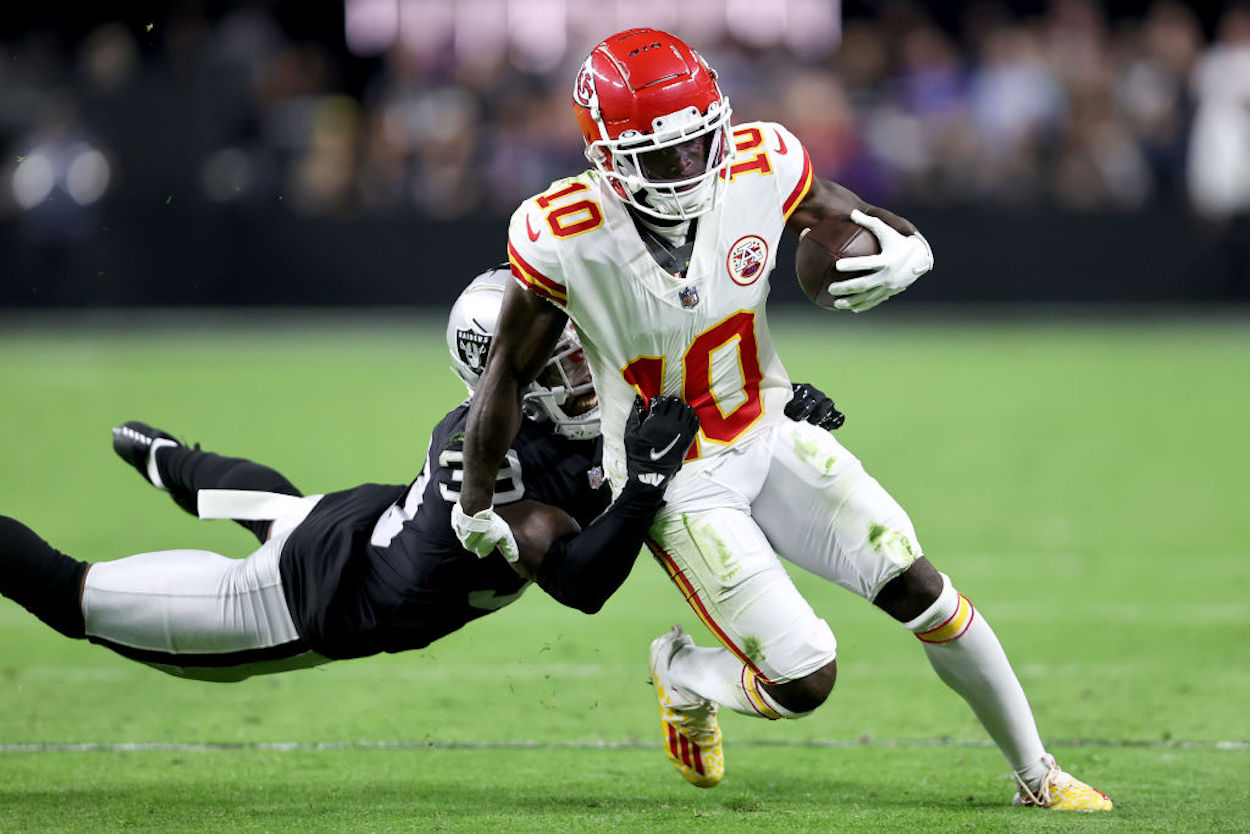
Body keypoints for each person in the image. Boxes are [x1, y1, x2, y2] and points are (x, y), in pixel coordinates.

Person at [452, 29, 1111, 811]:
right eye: (664, 156)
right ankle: (685, 672)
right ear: (609, 157)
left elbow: (853, 213)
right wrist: (475, 502)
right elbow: (507, 372)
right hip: (679, 478)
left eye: (701, 143)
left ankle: (1038, 776)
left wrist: (908, 246)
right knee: (803, 679)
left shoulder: (761, 162)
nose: (692, 168)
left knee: (922, 587)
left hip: (767, 426)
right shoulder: (561, 232)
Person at [0, 268, 838, 682]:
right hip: (307, 599)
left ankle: (163, 457)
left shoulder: (576, 392)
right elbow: (580, 582)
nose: (583, 374)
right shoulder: (493, 459)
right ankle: (162, 462)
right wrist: (647, 487)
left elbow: (702, 397)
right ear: (500, 382)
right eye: (556, 364)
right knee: (73, 599)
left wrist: (775, 407)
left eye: (577, 349)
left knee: (280, 505)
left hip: (359, 520)